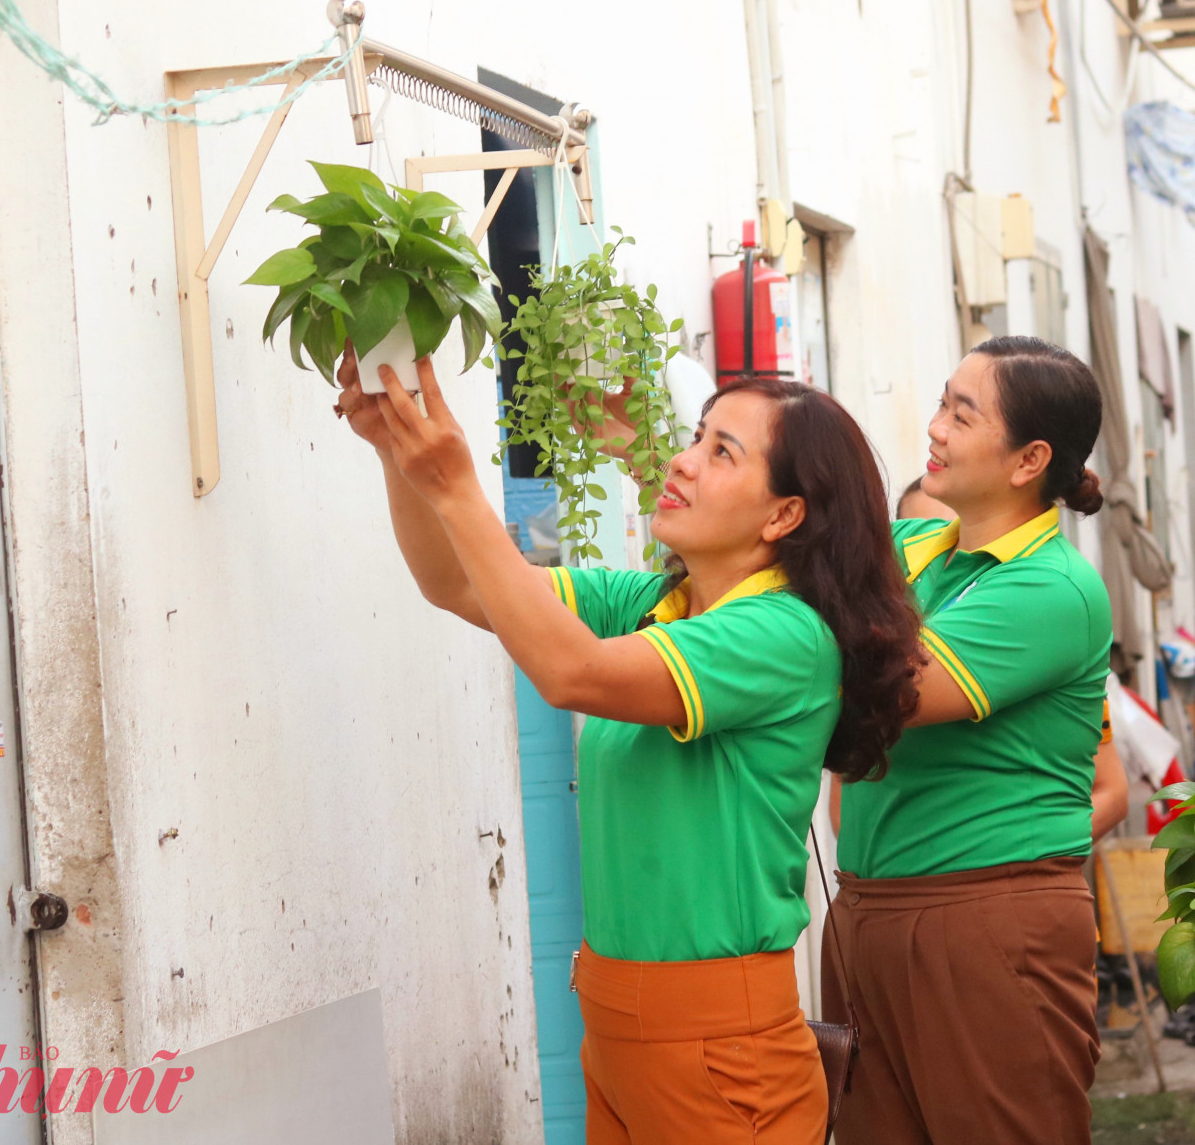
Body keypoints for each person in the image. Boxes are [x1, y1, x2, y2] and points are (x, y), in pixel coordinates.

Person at [337, 354, 920, 1145]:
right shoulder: (655, 605)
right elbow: (459, 584)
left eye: (722, 452)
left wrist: (457, 484)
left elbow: (571, 672)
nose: (680, 460)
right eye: (697, 437)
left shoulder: (783, 633)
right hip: (615, 1029)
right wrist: (395, 455)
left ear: (783, 516)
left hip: (721, 1054)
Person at [826, 335, 1112, 1145]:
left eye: (962, 411)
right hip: (869, 911)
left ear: (1029, 460)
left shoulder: (1051, 587)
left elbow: (887, 692)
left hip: (985, 918)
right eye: (942, 403)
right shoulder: (919, 547)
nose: (935, 428)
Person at [889, 473, 1126, 839]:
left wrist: (1021, 863)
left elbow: (1110, 788)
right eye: (924, 527)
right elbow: (845, 797)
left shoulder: (1035, 597)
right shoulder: (908, 579)